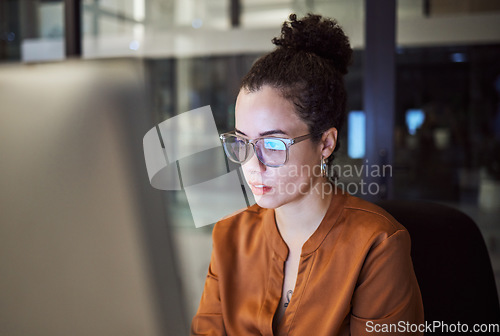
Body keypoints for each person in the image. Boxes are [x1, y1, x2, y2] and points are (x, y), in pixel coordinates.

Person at [191, 13, 424, 336]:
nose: (251, 164)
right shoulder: (229, 236)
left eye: (272, 143)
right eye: (243, 142)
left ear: (325, 143)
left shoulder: (376, 245)